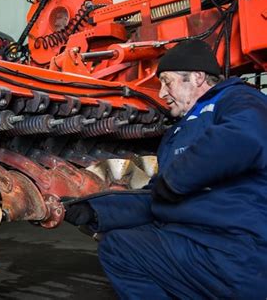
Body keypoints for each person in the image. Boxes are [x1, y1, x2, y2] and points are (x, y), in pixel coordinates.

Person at [64, 39, 267, 299]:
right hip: (195, 244)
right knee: (119, 244)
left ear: (196, 77)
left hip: (238, 247)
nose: (161, 93)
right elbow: (157, 197)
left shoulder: (237, 98)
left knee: (120, 250)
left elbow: (247, 136)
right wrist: (94, 211)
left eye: (167, 81)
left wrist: (176, 179)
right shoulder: (177, 132)